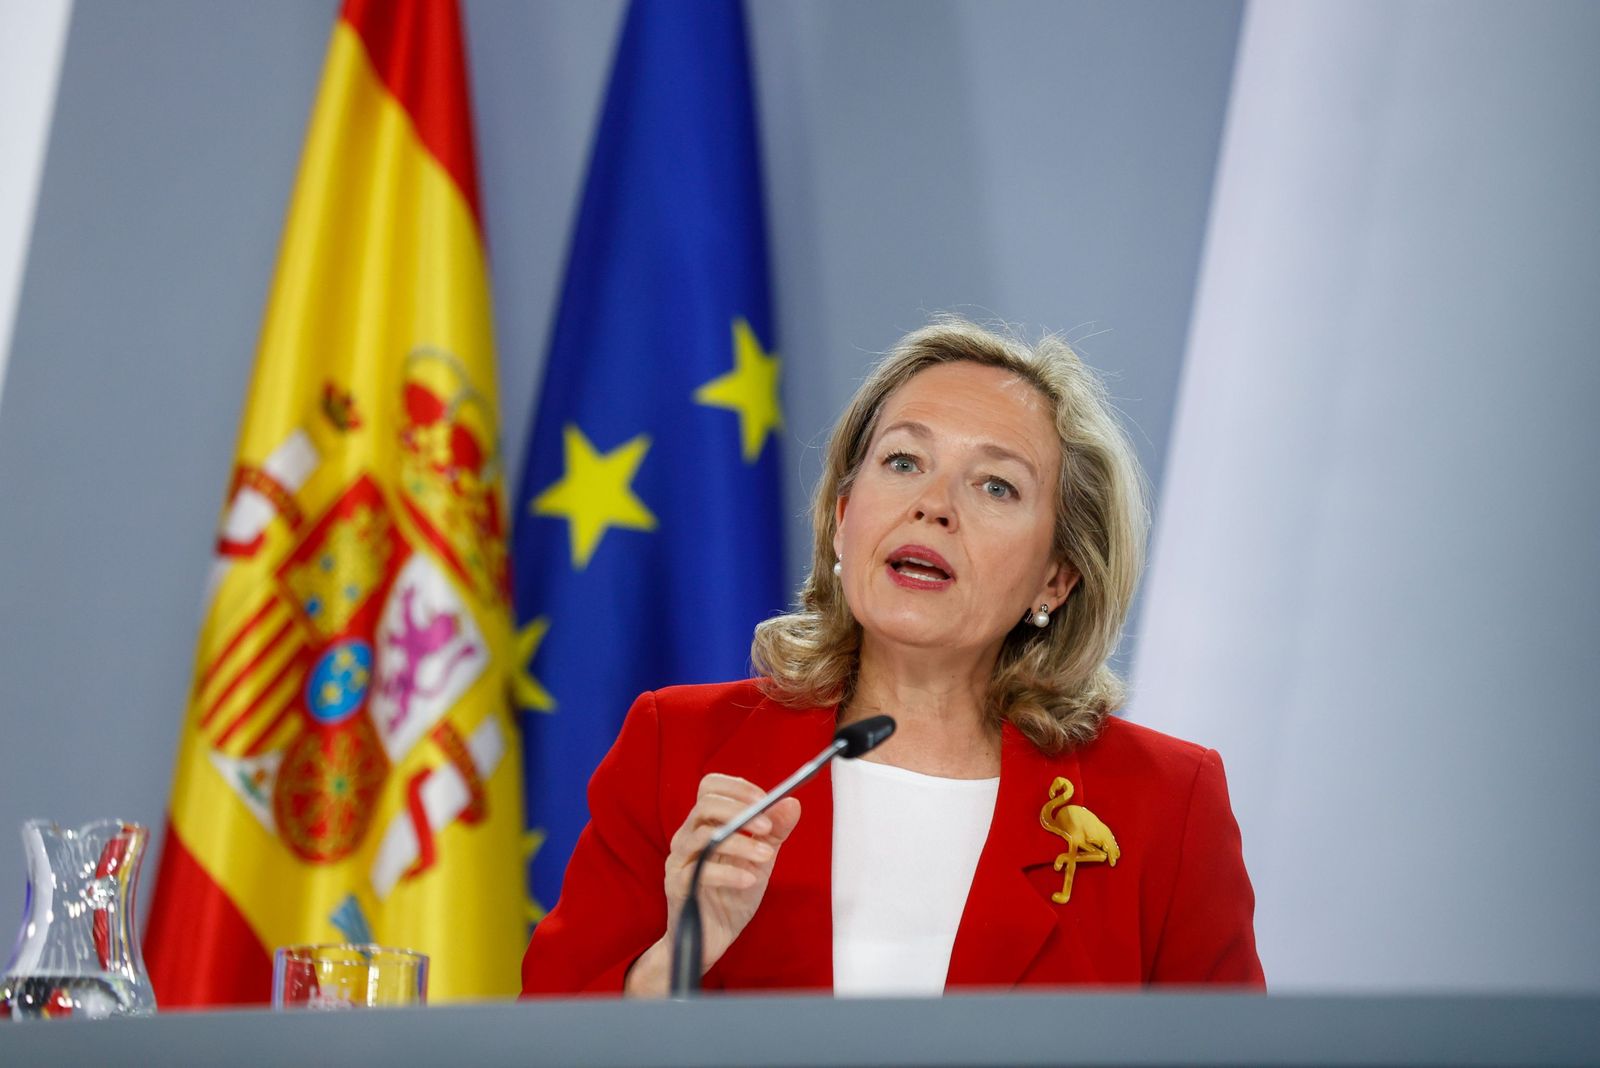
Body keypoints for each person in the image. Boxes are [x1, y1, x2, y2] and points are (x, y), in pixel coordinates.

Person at [521, 317, 1264, 996]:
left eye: (996, 485)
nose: (933, 505)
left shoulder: (1164, 806)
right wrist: (680, 955)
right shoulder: (678, 750)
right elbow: (539, 1051)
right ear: (844, 519)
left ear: (1056, 577)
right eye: (904, 461)